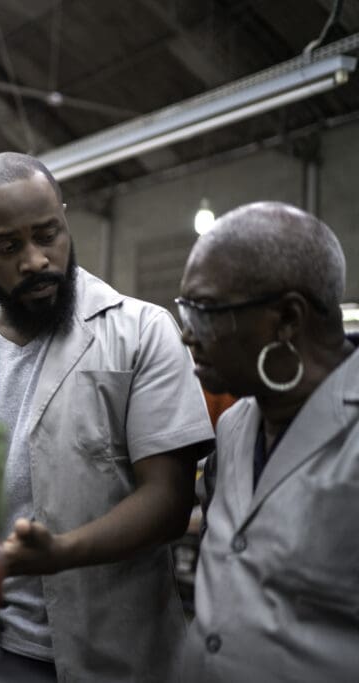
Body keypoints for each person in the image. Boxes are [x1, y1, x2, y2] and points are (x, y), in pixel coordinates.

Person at [0, 152, 214, 681]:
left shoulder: (142, 333)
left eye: (48, 234)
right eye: (7, 246)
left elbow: (169, 499)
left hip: (114, 653)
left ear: (66, 219)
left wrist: (63, 552)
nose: (35, 260)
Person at [177, 202, 359, 681]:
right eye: (186, 310)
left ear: (287, 319)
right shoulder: (235, 426)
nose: (187, 334)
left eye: (207, 312)